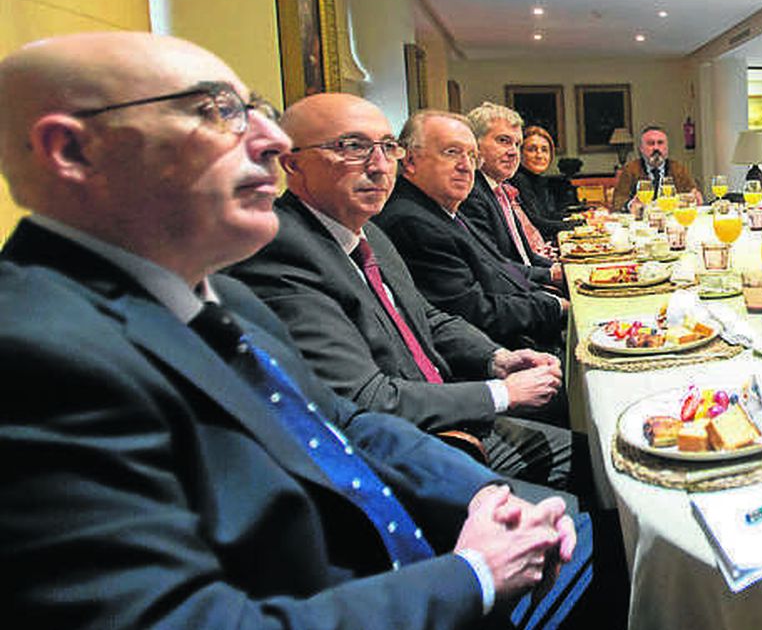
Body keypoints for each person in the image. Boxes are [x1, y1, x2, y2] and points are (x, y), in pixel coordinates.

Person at [0, 33, 588, 628]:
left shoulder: (220, 292)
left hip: (410, 548)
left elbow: (347, 423)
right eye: (216, 112)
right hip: (377, 592)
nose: (273, 140)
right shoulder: (33, 354)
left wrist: (484, 495)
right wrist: (473, 575)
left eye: (253, 110)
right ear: (72, 150)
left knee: (590, 527)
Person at [228, 93, 578, 491]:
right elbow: (366, 398)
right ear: (292, 164)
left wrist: (497, 358)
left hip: (444, 414)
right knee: (593, 485)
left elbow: (426, 317)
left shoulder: (369, 230)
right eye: (353, 147)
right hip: (400, 456)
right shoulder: (281, 250)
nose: (378, 166)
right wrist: (501, 392)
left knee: (596, 457)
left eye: (385, 147)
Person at [373, 111, 568, 353]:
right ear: (410, 161)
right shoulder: (412, 221)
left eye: (472, 156)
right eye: (451, 152)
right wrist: (554, 305)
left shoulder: (443, 207)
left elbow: (499, 268)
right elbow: (474, 312)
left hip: (522, 320)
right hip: (503, 350)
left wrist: (552, 281)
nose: (466, 167)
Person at [458, 103, 562, 289]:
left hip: (527, 284)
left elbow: (525, 257)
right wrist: (551, 275)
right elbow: (495, 268)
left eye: (517, 144)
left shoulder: (500, 189)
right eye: (503, 141)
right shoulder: (471, 193)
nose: (514, 152)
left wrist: (559, 268)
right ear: (474, 144)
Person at [511, 124, 580, 239]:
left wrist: (581, 216)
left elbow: (548, 215)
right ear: (520, 153)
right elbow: (538, 224)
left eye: (544, 150)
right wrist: (581, 224)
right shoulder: (518, 180)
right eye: (532, 150)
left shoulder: (538, 180)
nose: (539, 155)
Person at [609, 125, 700, 212]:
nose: (656, 148)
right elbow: (618, 201)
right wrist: (630, 204)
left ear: (666, 148)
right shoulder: (630, 170)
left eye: (660, 143)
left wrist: (694, 197)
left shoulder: (679, 169)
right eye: (650, 143)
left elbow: (692, 193)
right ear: (641, 149)